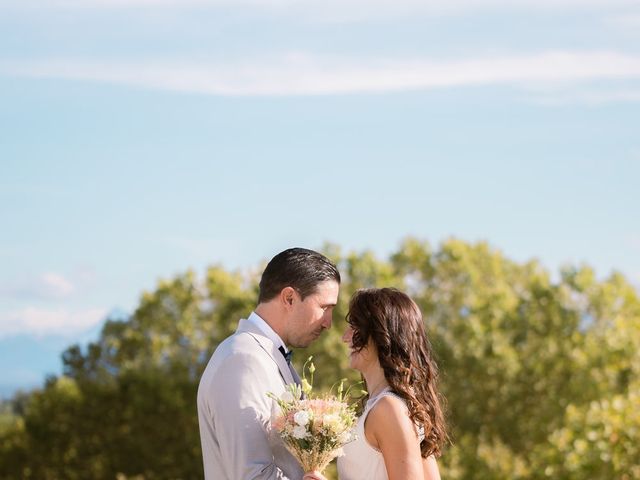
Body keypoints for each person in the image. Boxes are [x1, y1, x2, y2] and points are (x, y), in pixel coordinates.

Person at [197, 247, 341, 480]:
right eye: (325, 308)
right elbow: (251, 474)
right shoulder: (242, 360)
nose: (328, 323)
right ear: (289, 298)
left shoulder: (266, 356)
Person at [304, 288, 447, 480]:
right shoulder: (389, 406)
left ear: (381, 334)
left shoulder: (389, 408)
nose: (345, 337)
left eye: (354, 327)